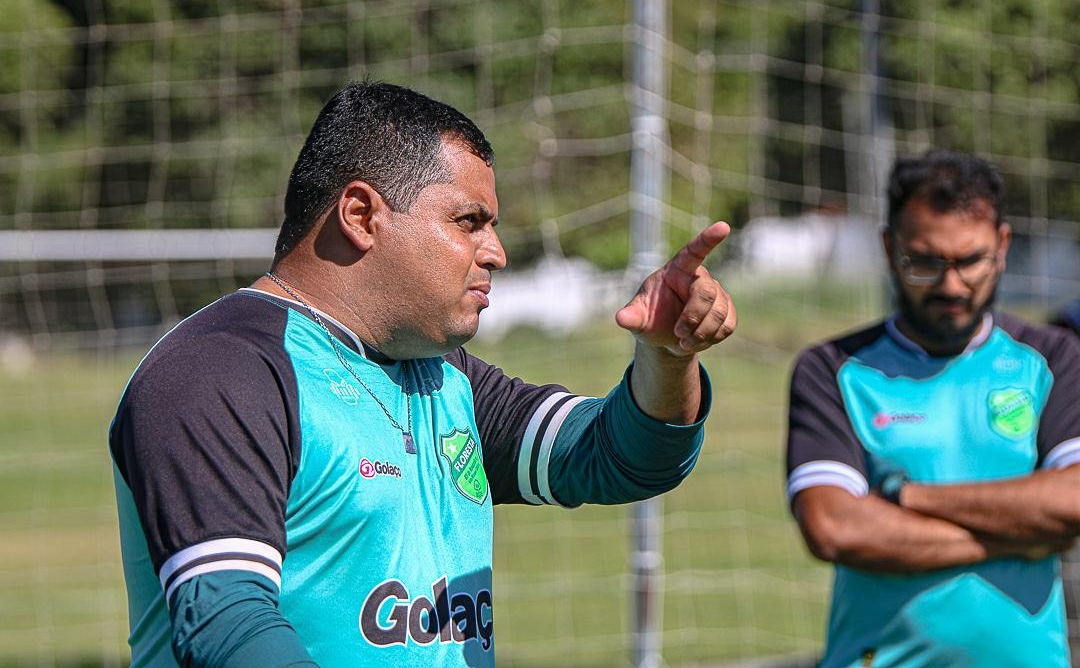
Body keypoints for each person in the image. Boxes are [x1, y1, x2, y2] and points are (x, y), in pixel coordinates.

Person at [109, 81, 736, 667]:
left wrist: (667, 356)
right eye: (469, 222)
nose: (496, 252)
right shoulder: (220, 370)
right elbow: (228, 628)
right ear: (361, 215)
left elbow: (623, 457)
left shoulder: (442, 378)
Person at [785, 149, 1080, 668]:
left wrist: (907, 496)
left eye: (970, 261)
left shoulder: (1053, 358)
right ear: (887, 247)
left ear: (1003, 246)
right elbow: (835, 527)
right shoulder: (831, 369)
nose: (951, 285)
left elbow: (1074, 501)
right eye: (924, 261)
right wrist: (1021, 534)